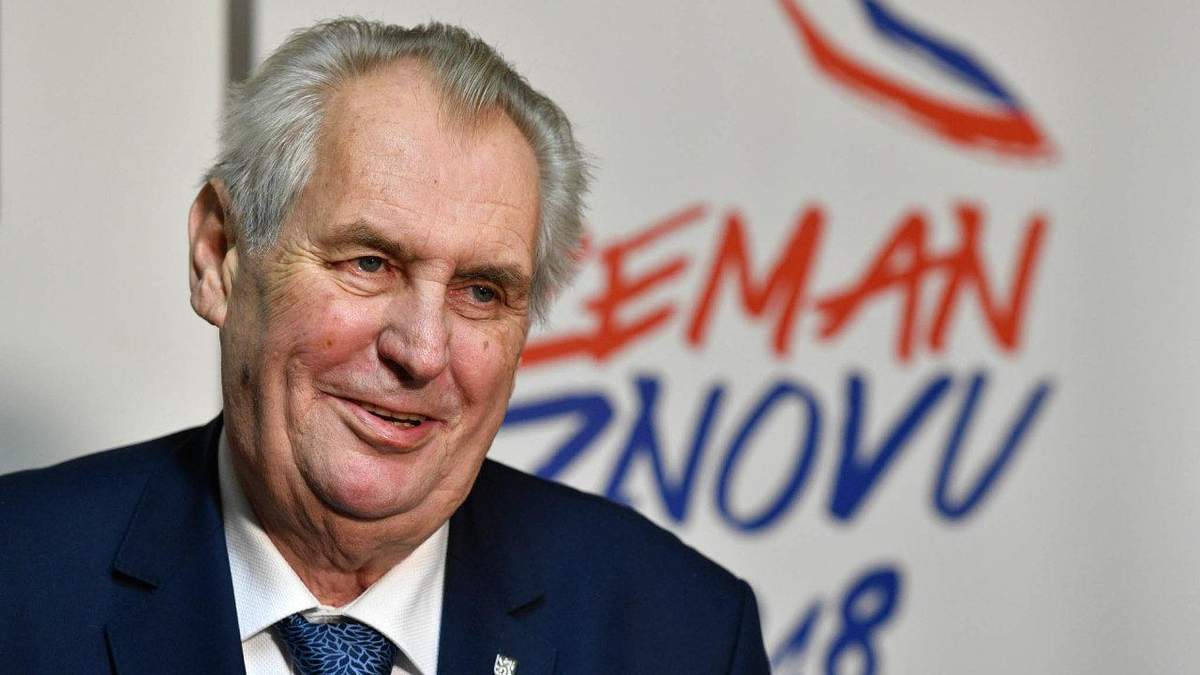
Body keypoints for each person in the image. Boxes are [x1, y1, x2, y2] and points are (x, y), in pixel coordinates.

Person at [0, 18, 770, 675]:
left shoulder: (683, 633)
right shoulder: (18, 583)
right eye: (369, 263)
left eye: (481, 291)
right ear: (220, 255)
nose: (422, 351)